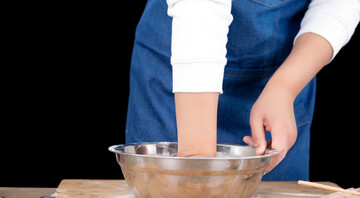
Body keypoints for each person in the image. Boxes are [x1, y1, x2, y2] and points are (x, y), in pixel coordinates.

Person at [125, 0, 360, 180]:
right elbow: (200, 10)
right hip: (179, 73)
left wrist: (284, 87)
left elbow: (338, 5)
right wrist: (196, 158)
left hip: (283, 70)